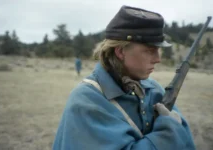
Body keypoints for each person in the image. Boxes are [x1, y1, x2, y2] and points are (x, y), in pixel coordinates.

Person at [52, 5, 195, 150]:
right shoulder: (85, 100)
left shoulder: (154, 89)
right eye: (150, 50)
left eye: (158, 50)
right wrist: (169, 132)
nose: (158, 59)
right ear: (121, 51)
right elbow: (175, 133)